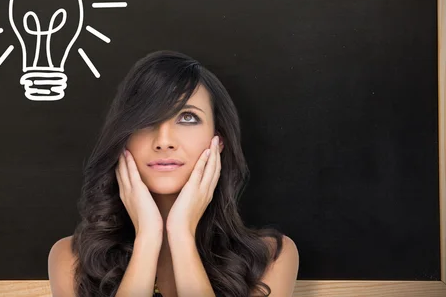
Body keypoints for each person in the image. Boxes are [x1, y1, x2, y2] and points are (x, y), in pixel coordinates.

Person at [48, 50, 299, 297]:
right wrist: (147, 238)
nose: (164, 141)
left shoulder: (271, 258)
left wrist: (181, 234)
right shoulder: (70, 260)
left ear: (218, 140)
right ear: (123, 139)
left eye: (188, 117)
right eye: (146, 120)